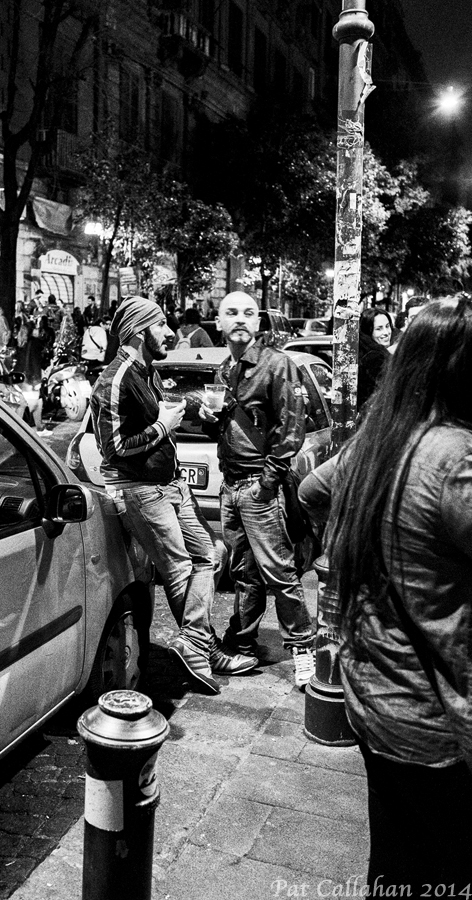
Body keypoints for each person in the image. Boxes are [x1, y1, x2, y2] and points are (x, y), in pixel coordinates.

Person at [302, 296, 472, 894]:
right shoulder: (456, 459)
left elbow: (311, 491)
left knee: (396, 864)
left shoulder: (375, 439)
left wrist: (372, 553)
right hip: (434, 718)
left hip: (373, 695)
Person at [91, 295, 257, 696]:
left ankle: (194, 641)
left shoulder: (148, 372)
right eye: (161, 324)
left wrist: (192, 411)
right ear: (138, 330)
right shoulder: (113, 380)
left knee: (212, 553)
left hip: (171, 485)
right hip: (140, 490)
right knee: (181, 568)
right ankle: (204, 652)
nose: (170, 332)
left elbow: (160, 412)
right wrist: (163, 427)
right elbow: (113, 448)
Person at [199, 290, 315, 688]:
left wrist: (266, 485)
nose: (240, 319)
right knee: (244, 573)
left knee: (280, 573)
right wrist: (209, 418)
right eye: (231, 313)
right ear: (218, 322)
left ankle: (303, 649)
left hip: (257, 488)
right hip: (230, 486)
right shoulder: (224, 371)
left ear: (258, 322)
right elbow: (223, 429)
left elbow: (291, 430)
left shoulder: (277, 365)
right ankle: (243, 643)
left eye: (248, 313)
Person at [357, 307, 391, 412]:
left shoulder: (365, 353)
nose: (386, 332)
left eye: (387, 326)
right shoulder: (375, 358)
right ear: (368, 332)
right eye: (379, 329)